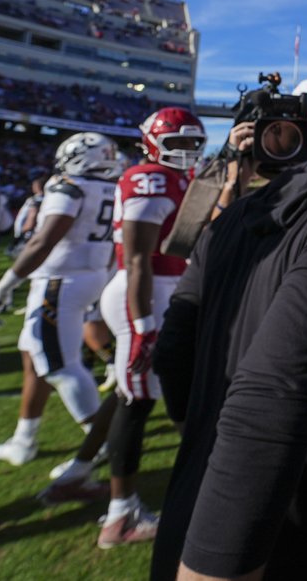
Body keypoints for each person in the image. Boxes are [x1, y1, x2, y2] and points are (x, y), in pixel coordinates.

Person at [150, 51, 307, 581]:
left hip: (196, 499)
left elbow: (174, 345)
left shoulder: (238, 215)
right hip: (285, 531)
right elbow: (275, 392)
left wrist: (201, 433)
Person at [0, 132, 123, 505]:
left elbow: (43, 240)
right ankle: (24, 440)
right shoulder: (112, 188)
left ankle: (102, 443)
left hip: (60, 282)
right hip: (85, 277)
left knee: (60, 366)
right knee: (34, 359)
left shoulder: (69, 187)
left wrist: (7, 283)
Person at [94, 106, 204, 549]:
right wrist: (142, 327)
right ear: (152, 142)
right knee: (135, 402)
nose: (186, 152)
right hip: (144, 295)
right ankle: (120, 517)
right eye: (176, 143)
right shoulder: (147, 177)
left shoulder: (177, 178)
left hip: (164, 291)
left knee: (157, 394)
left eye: (193, 143)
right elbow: (138, 258)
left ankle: (83, 471)